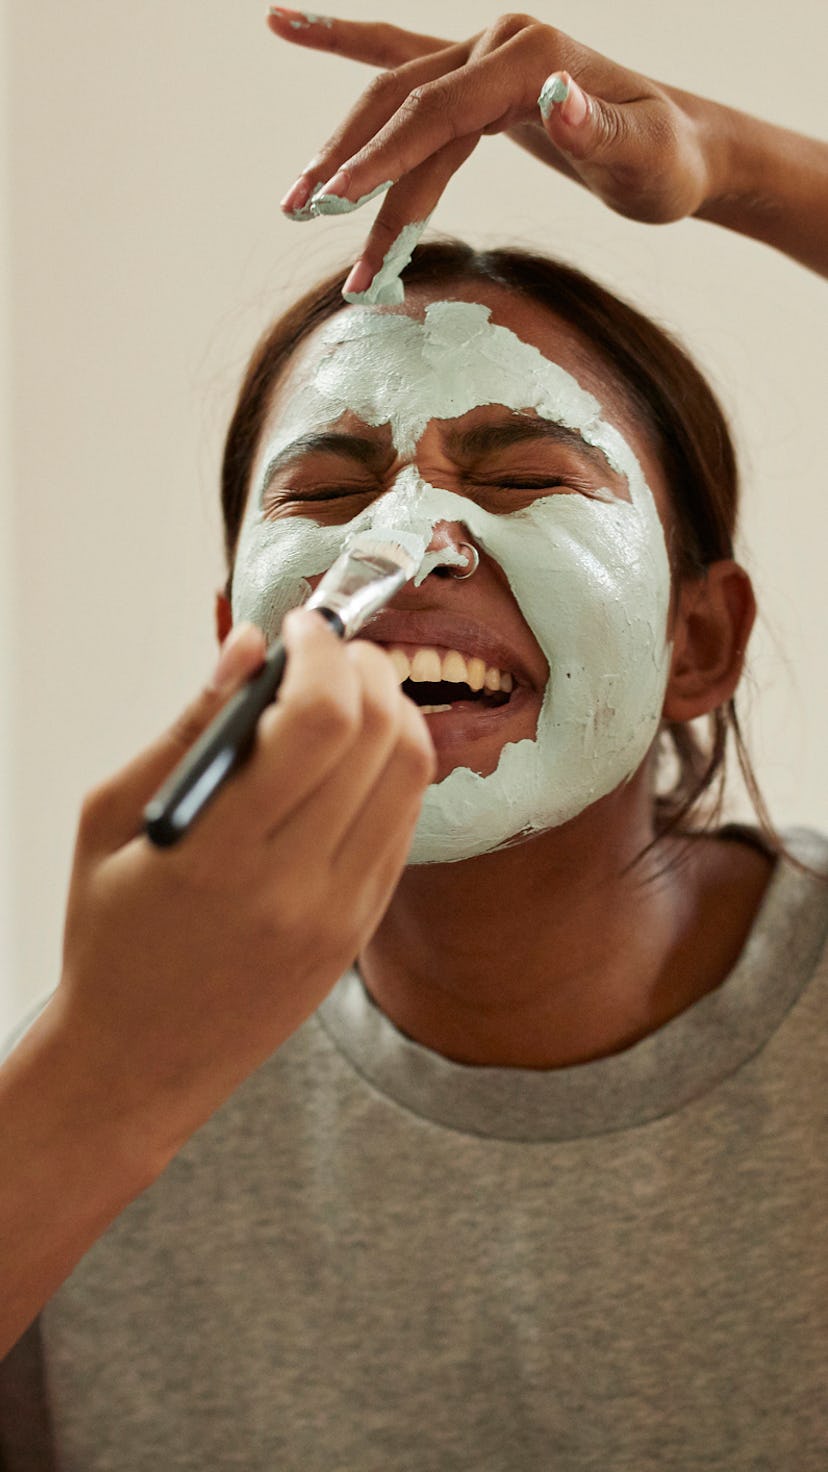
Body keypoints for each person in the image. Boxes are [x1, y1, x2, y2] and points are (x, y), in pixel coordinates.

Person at [1, 13, 826, 1468]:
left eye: (522, 473)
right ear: (236, 645)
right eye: (324, 493)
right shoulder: (82, 1091)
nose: (405, 538)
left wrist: (743, 168)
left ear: (701, 640)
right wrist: (94, 1089)